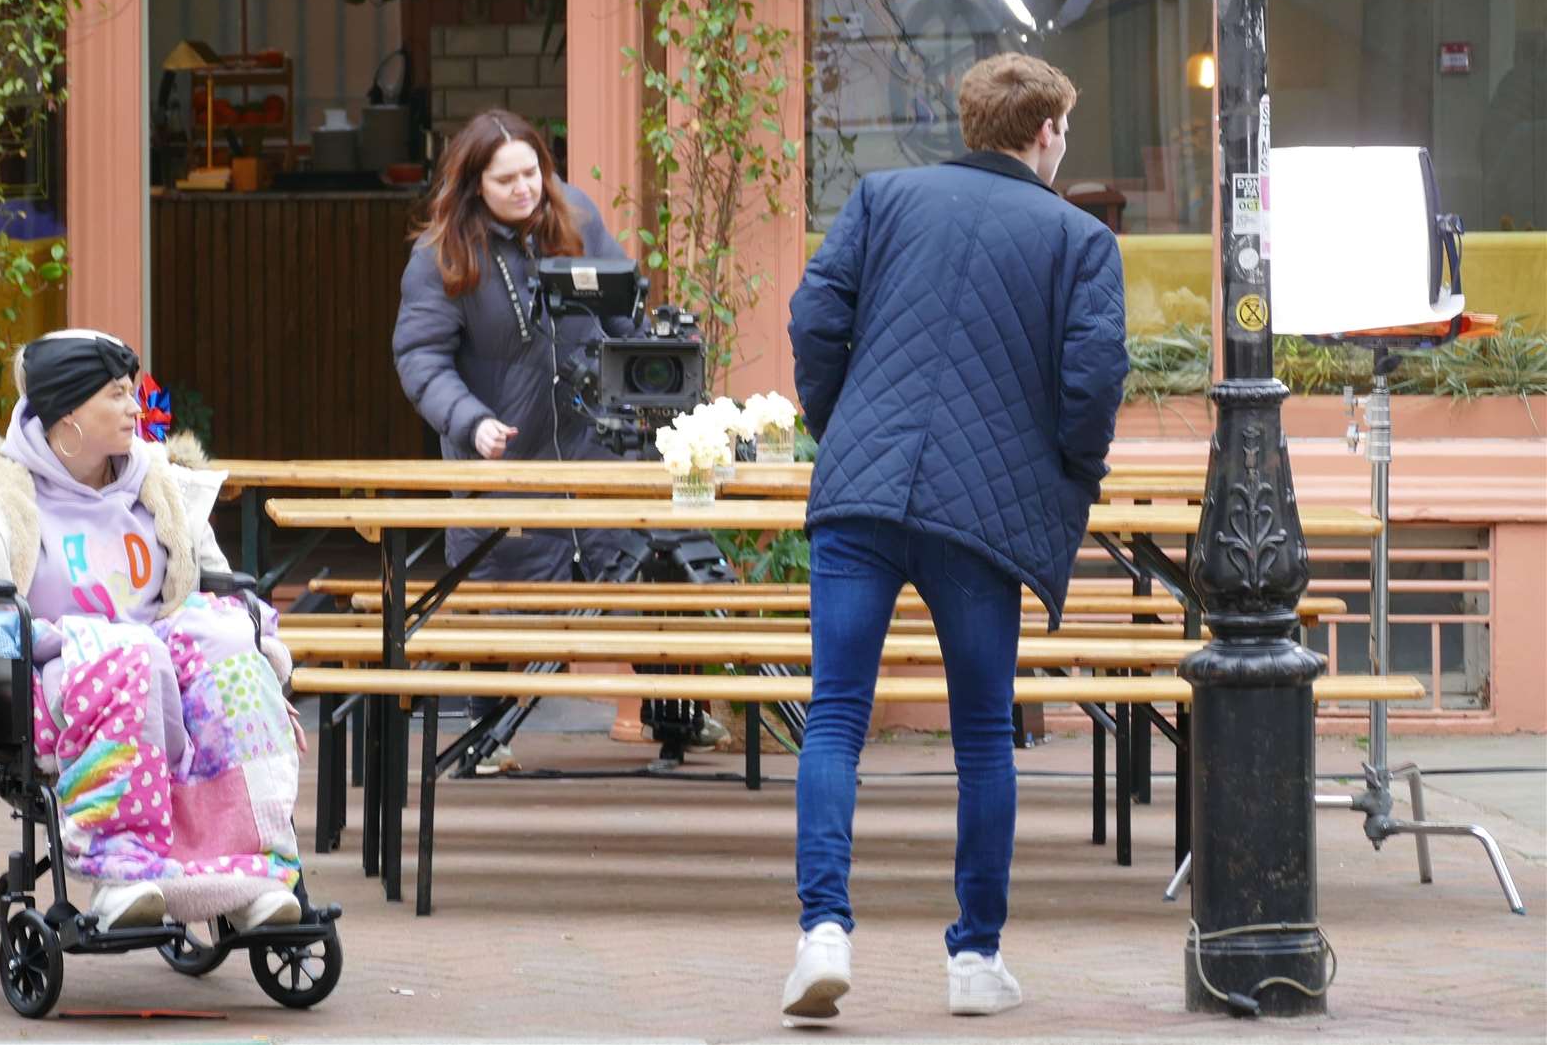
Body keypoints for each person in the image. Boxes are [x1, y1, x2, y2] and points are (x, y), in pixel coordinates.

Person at [779, 53, 1128, 1020]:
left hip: (860, 493)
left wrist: (838, 422)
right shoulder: (1080, 239)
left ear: (972, 121)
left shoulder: (884, 199)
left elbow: (814, 316)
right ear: (1047, 132)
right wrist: (1066, 474)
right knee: (983, 736)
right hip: (982, 517)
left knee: (836, 716)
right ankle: (974, 960)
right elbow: (1093, 383)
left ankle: (822, 932)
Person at [0, 328, 309, 933]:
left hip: (167, 683)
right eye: (118, 395)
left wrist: (263, 668)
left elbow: (215, 588)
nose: (136, 407)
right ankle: (123, 870)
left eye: (133, 394)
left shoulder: (161, 486)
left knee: (226, 642)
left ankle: (252, 869)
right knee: (129, 654)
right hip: (55, 686)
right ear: (68, 411)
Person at [391, 108, 726, 770]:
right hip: (501, 443)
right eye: (507, 179)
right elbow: (419, 359)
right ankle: (491, 732)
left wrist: (660, 383)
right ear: (473, 184)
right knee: (505, 589)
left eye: (534, 174)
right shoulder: (440, 254)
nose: (526, 190)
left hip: (592, 434)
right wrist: (469, 420)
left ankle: (674, 714)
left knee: (634, 565)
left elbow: (622, 308)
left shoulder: (574, 212)